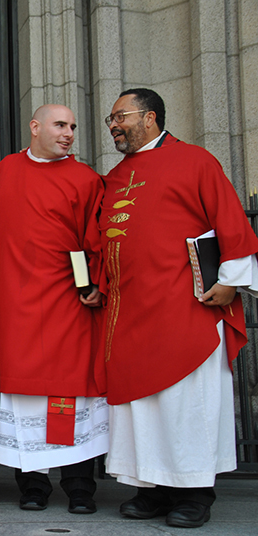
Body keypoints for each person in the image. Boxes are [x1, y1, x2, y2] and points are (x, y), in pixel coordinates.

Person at [100, 88, 258, 528]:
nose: (113, 125)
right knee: (143, 406)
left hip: (184, 307)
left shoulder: (195, 161)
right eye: (111, 119)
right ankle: (152, 488)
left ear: (149, 117)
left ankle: (194, 492)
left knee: (185, 401)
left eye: (120, 117)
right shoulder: (115, 177)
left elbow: (229, 218)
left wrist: (230, 282)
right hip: (130, 312)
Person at [0, 105, 107, 514]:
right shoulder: (6, 169)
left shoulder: (86, 179)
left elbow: (94, 238)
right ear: (35, 127)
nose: (69, 133)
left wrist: (93, 283)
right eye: (60, 125)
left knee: (71, 393)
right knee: (25, 396)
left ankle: (79, 488)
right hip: (16, 303)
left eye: (73, 126)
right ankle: (33, 486)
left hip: (66, 302)